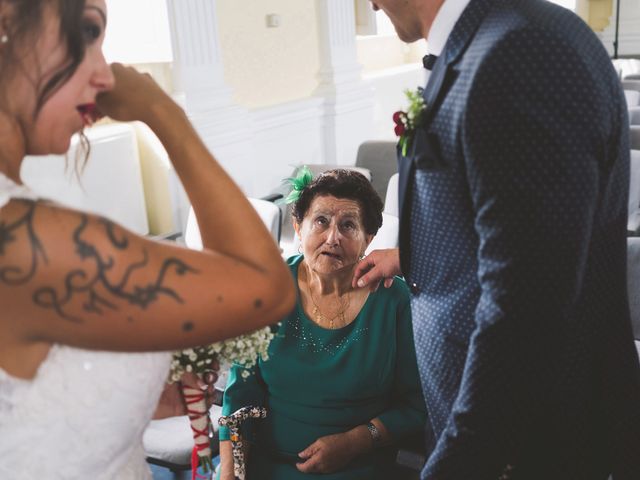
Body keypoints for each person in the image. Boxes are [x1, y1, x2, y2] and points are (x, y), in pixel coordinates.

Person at [0, 1, 295, 478]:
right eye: (89, 32)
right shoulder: (24, 241)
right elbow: (267, 286)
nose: (105, 75)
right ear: (6, 23)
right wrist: (163, 112)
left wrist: (129, 398)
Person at [353, 0, 640, 478]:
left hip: (525, 438)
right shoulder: (491, 39)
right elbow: (521, 229)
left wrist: (460, 462)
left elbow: (527, 304)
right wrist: (417, 254)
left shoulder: (520, 52)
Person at [216, 169, 427, 480]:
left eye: (348, 225)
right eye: (321, 221)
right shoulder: (264, 292)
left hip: (358, 467)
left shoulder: (394, 301)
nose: (332, 238)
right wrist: (232, 474)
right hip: (267, 466)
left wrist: (356, 441)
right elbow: (240, 399)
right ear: (298, 229)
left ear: (368, 238)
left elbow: (416, 406)